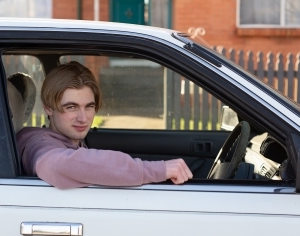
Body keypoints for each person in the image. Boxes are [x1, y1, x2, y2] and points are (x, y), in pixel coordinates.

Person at [16, 61, 192, 189]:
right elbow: (55, 166)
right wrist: (157, 170)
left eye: (89, 107)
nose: (83, 118)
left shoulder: (66, 140)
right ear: (48, 108)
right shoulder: (37, 142)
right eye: (71, 107)